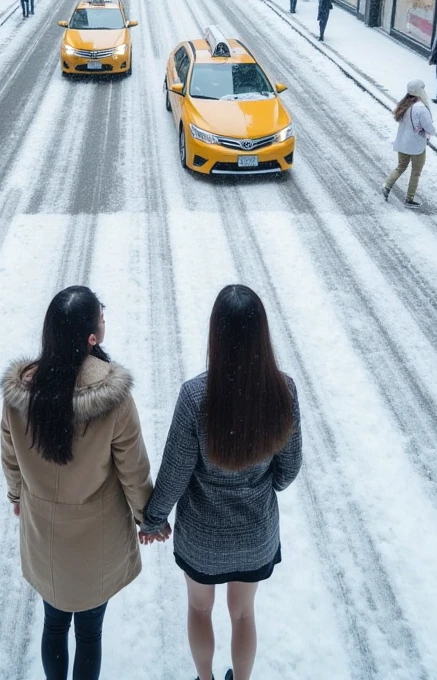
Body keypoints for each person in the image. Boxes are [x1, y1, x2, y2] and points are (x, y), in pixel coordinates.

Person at [142, 285, 301, 680]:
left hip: (202, 537)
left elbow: (175, 472)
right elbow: (289, 468)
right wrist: (264, 486)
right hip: (255, 533)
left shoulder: (196, 396)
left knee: (199, 608)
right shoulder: (283, 391)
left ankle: (206, 679)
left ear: (215, 333)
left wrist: (153, 518)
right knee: (244, 613)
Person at [0, 286, 153, 680]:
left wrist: (16, 493)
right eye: (101, 318)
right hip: (94, 540)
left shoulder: (21, 393)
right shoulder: (112, 398)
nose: (104, 321)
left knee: (53, 624)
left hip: (43, 534)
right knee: (89, 633)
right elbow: (132, 468)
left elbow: (10, 453)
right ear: (91, 338)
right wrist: (148, 518)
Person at [382, 80, 436, 207]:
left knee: (401, 166)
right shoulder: (421, 108)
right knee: (415, 172)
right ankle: (409, 199)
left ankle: (387, 186)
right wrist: (432, 131)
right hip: (416, 145)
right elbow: (429, 128)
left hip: (402, 143)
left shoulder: (404, 105)